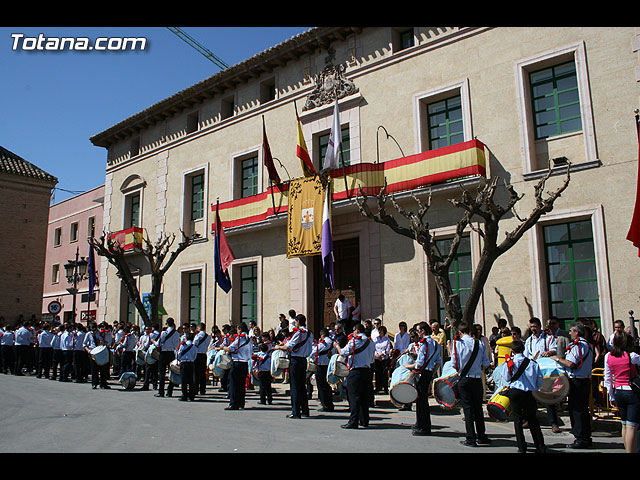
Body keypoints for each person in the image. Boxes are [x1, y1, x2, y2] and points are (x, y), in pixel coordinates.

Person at [551, 321, 594, 449]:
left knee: (578, 410)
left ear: (577, 332)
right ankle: (584, 436)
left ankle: (581, 438)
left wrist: (557, 359)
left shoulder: (580, 345)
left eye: (571, 331)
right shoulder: (583, 344)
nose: (569, 333)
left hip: (578, 381)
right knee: (580, 410)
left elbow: (571, 363)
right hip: (579, 380)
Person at [451, 321, 491, 447]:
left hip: (465, 378)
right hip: (477, 378)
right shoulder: (479, 343)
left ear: (460, 332)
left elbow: (454, 364)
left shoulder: (457, 344)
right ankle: (482, 435)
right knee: (478, 408)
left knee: (468, 409)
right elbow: (486, 363)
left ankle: (471, 438)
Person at [604, 331, 640, 453]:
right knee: (632, 426)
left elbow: (607, 378)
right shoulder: (632, 356)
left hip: (618, 391)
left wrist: (611, 396)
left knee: (624, 424)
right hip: (631, 391)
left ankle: (628, 449)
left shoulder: (608, 356)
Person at [334, 323, 375, 429]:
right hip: (367, 370)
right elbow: (371, 359)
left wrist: (337, 346)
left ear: (356, 331)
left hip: (356, 371)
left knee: (354, 397)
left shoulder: (354, 341)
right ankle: (364, 420)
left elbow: (343, 353)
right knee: (364, 397)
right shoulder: (370, 342)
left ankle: (353, 421)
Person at [403, 321, 440, 436]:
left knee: (421, 401)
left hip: (422, 373)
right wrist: (432, 373)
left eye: (418, 331)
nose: (417, 333)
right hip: (428, 373)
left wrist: (408, 366)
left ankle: (423, 427)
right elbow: (438, 362)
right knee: (423, 401)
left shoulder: (424, 343)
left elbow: (419, 363)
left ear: (423, 331)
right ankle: (421, 423)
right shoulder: (435, 343)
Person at [275, 314, 314, 419]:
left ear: (297, 322)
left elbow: (288, 346)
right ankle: (305, 410)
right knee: (302, 386)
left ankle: (296, 411)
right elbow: (311, 348)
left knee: (295, 387)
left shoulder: (299, 333)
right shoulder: (310, 333)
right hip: (303, 360)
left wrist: (278, 347)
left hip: (296, 360)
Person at [221, 322, 252, 410]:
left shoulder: (240, 338)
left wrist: (223, 347)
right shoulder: (249, 339)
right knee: (241, 384)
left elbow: (231, 348)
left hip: (237, 362)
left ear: (240, 329)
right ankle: (241, 403)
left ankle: (233, 403)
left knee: (234, 384)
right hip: (245, 362)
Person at [310, 328, 335, 412]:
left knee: (322, 386)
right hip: (329, 365)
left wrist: (312, 359)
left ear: (322, 335)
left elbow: (314, 352)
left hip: (322, 366)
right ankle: (329, 404)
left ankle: (326, 405)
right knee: (327, 386)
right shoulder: (332, 342)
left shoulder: (323, 343)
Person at [154, 318, 180, 398]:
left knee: (162, 373)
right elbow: (177, 344)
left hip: (164, 353)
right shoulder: (176, 333)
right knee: (172, 372)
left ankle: (161, 391)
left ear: (167, 324)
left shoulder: (164, 333)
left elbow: (158, 343)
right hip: (172, 353)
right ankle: (170, 391)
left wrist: (153, 342)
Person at [177, 332, 198, 401]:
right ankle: (191, 395)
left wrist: (179, 360)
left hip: (184, 363)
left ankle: (184, 395)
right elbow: (195, 356)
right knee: (191, 380)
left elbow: (179, 354)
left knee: (184, 380)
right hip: (191, 363)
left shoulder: (183, 345)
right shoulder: (194, 346)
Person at [373, 325, 392, 394]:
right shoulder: (376, 339)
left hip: (384, 358)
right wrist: (377, 355)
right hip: (377, 358)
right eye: (379, 331)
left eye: (381, 331)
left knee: (384, 374)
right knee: (377, 373)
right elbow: (374, 348)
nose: (380, 332)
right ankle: (378, 388)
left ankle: (385, 388)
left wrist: (381, 354)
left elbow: (387, 349)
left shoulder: (387, 339)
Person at [194, 323, 210, 395]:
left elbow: (194, 344)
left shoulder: (198, 336)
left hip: (198, 355)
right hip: (204, 354)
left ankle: (195, 389)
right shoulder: (208, 336)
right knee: (203, 373)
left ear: (199, 328)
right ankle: (203, 390)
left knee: (196, 373)